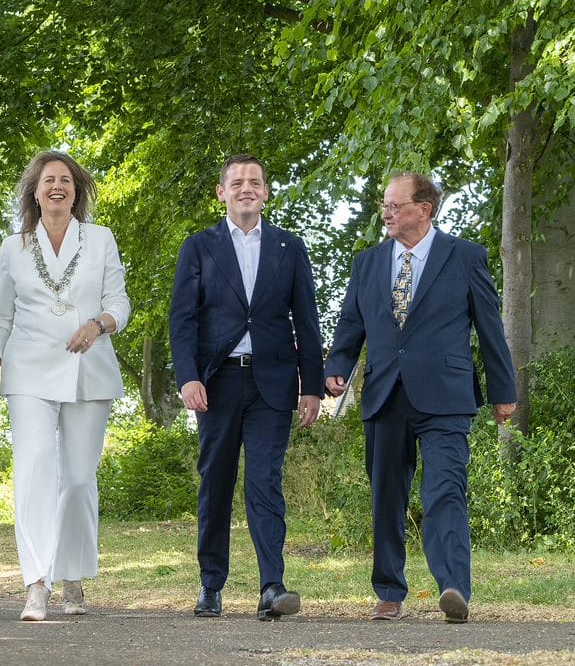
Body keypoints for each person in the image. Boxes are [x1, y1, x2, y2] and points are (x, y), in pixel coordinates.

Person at [325, 172, 516, 624]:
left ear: (424, 209)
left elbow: (491, 329)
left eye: (395, 205)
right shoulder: (367, 262)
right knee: (386, 495)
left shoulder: (465, 257)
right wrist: (336, 368)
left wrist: (502, 392)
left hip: (446, 397)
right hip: (385, 394)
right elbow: (351, 324)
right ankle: (389, 592)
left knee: (446, 490)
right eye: (384, 205)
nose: (386, 213)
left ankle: (453, 587)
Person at [168, 153, 323, 621]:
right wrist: (188, 376)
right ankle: (210, 585)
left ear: (266, 192)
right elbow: (183, 318)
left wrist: (311, 386)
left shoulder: (289, 248)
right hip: (216, 383)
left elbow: (307, 320)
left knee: (264, 484)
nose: (246, 189)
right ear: (222, 193)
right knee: (216, 483)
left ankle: (272, 587)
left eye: (255, 182)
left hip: (274, 384)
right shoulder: (199, 247)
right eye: (237, 183)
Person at [0, 151, 130, 622]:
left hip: (89, 367)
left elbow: (119, 303)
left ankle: (73, 577)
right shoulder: (13, 247)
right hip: (28, 371)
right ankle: (36, 583)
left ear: (77, 190)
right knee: (36, 467)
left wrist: (97, 325)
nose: (57, 187)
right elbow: (1, 314)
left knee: (80, 479)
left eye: (66, 180)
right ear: (35, 191)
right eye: (49, 180)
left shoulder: (101, 239)